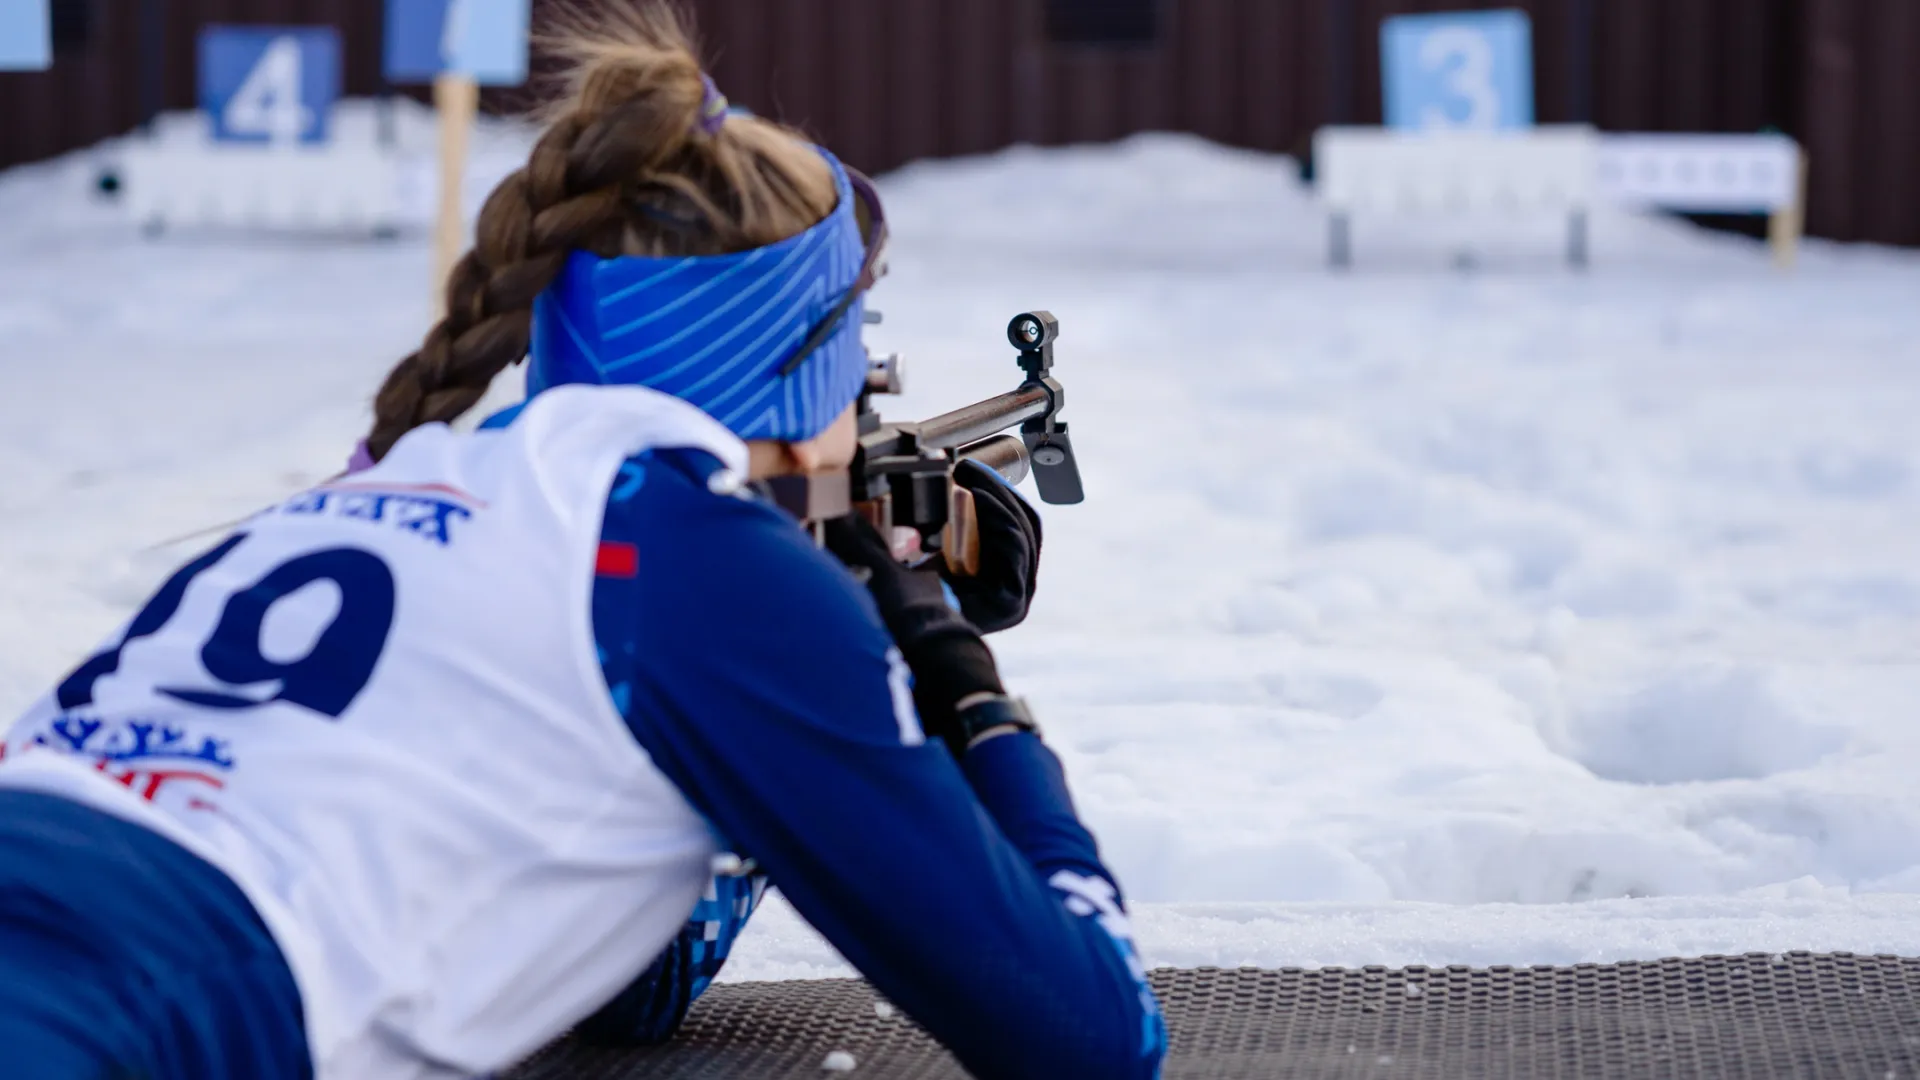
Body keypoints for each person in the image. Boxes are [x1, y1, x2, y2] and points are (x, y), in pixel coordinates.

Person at [0, 4, 1166, 1078]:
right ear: (809, 359)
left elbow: (623, 981)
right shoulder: (689, 568)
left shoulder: (392, 488)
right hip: (125, 1010)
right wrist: (963, 689)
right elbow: (1094, 1036)